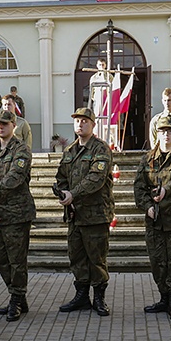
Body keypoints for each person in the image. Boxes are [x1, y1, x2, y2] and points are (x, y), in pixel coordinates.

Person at [55, 107, 115, 316]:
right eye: (77, 120)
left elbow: (96, 179)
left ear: (93, 124)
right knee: (77, 257)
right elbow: (61, 176)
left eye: (85, 121)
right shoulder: (70, 151)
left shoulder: (101, 149)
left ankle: (99, 298)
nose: (80, 124)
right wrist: (63, 193)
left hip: (96, 215)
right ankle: (81, 296)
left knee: (96, 259)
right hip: (75, 215)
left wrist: (73, 193)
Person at [134, 115, 171, 321]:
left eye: (170, 131)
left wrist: (165, 191)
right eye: (162, 131)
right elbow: (139, 187)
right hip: (155, 220)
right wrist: (148, 206)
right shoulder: (148, 158)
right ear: (156, 134)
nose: (166, 135)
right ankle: (163, 297)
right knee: (157, 261)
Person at [0, 109, 36, 321]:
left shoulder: (21, 150)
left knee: (17, 260)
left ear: (14, 125)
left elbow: (15, 177)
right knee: (2, 261)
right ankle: (18, 297)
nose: (0, 127)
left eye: (4, 123)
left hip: (18, 213)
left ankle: (16, 298)